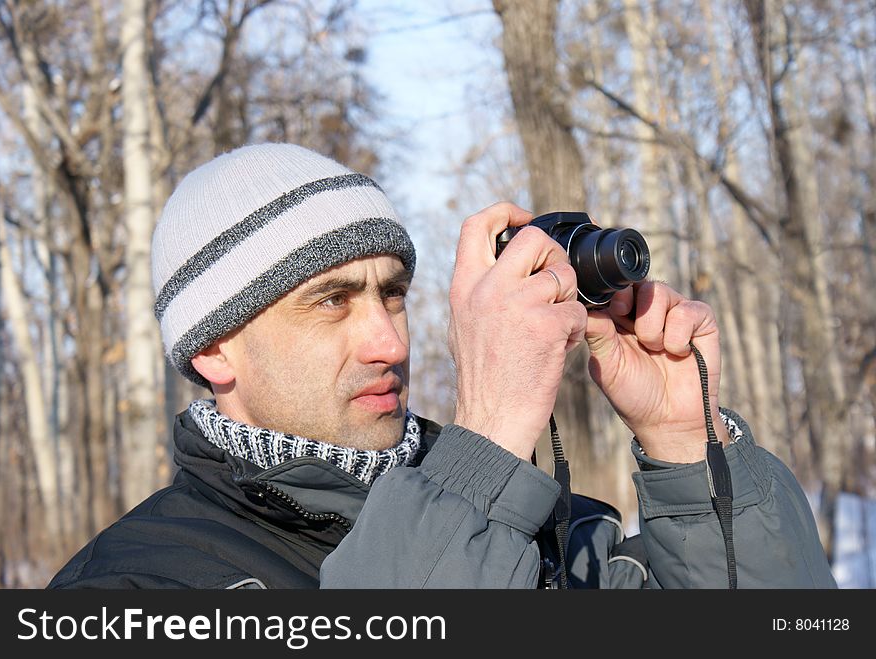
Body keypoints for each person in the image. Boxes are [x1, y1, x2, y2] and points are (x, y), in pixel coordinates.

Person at [49, 142, 835, 589]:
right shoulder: (134, 587)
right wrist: (487, 437)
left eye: (391, 294)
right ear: (213, 348)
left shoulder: (553, 529)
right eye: (331, 301)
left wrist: (687, 455)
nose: (389, 341)